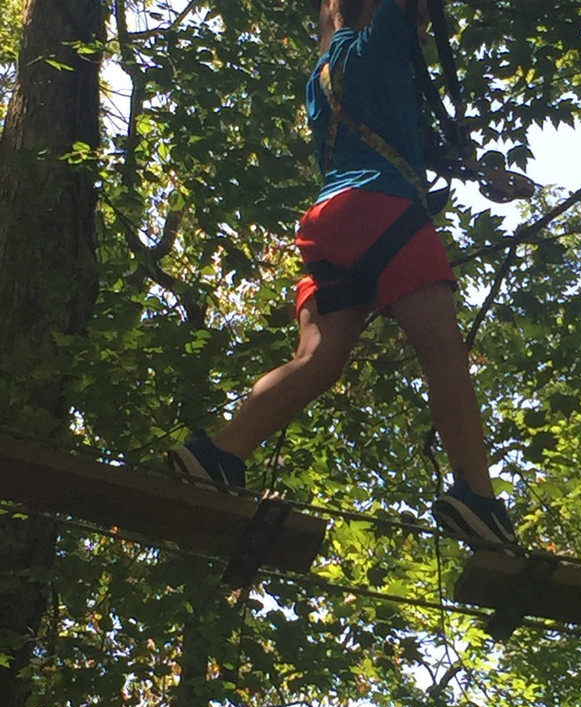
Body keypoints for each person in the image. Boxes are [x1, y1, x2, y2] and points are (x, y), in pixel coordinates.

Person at [169, 0, 518, 550]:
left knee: (319, 358)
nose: (422, 29)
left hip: (330, 224)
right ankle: (477, 496)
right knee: (443, 351)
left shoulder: (326, 67)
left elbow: (387, 116)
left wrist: (479, 170)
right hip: (381, 209)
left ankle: (220, 453)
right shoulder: (380, 44)